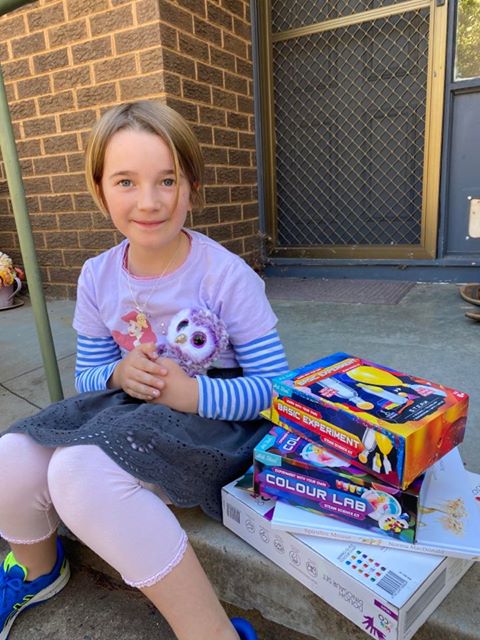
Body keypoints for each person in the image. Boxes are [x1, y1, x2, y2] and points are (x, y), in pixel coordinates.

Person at [0, 101, 289, 640]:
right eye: (126, 182)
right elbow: (88, 375)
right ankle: (38, 572)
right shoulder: (96, 275)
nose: (150, 202)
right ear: (100, 190)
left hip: (212, 420)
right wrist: (116, 376)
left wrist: (190, 395)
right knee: (12, 455)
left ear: (191, 186)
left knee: (77, 474)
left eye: (167, 180)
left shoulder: (225, 275)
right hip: (129, 407)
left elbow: (276, 390)